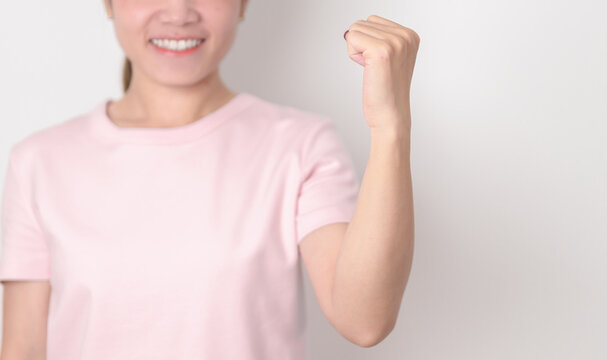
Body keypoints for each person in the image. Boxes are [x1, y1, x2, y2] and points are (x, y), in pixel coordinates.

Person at [0, 1, 419, 358]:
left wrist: (390, 127)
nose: (180, 14)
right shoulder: (38, 162)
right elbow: (22, 351)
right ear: (108, 3)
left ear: (242, 3)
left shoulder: (300, 144)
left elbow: (365, 319)